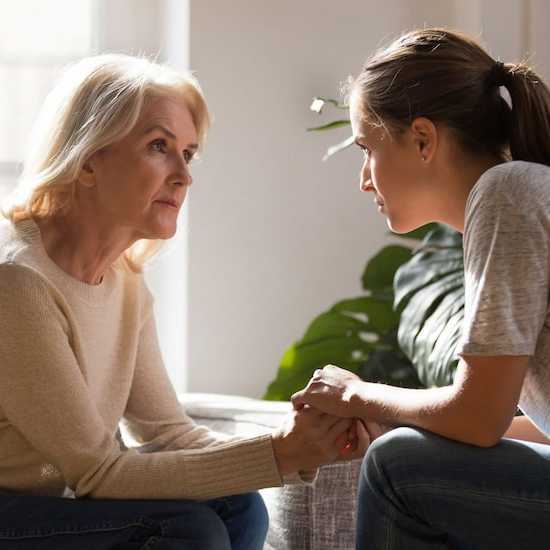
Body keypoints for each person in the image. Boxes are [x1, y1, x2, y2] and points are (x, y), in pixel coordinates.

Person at [0, 54, 369, 550]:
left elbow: (169, 433)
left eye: (188, 154)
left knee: (235, 505)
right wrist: (280, 453)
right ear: (87, 160)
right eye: (159, 146)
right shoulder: (19, 283)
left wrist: (298, 444)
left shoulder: (126, 282)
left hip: (53, 503)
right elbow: (95, 472)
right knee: (187, 530)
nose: (184, 176)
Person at [292, 28, 550, 549]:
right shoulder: (519, 193)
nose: (364, 179)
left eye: (367, 149)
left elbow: (478, 416)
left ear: (424, 140)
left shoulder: (508, 194)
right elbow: (522, 427)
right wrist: (408, 423)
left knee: (396, 469)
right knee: (407, 451)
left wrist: (355, 393)